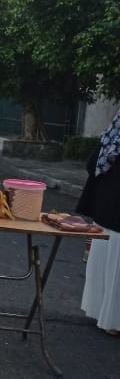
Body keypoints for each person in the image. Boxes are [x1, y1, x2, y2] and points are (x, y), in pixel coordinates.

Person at [78, 109, 120, 336]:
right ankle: (113, 320)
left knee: (107, 261)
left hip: (105, 207)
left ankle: (100, 312)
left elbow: (92, 163)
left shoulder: (113, 134)